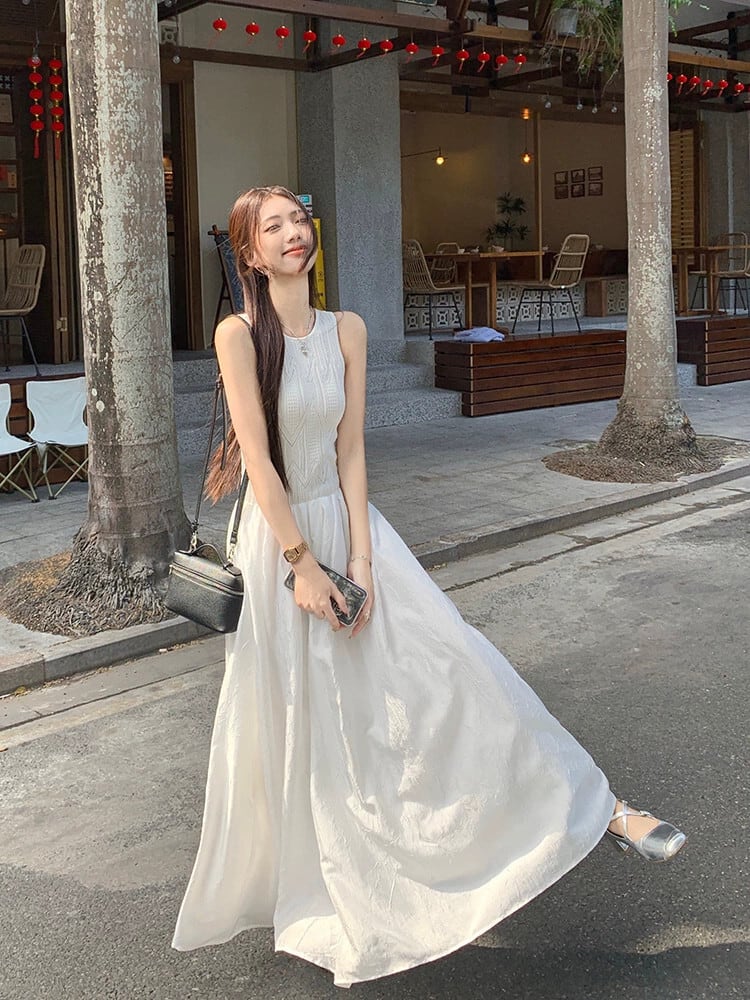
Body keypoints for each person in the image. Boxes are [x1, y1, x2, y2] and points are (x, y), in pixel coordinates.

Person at [172, 186, 686, 988]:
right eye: (273, 226)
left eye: (299, 219)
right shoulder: (238, 334)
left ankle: (598, 808)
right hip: (280, 542)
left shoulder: (348, 329)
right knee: (313, 719)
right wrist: (302, 566)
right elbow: (260, 463)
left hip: (353, 530)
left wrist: (362, 560)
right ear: (249, 252)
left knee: (456, 670)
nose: (293, 233)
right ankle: (336, 880)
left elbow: (349, 450)